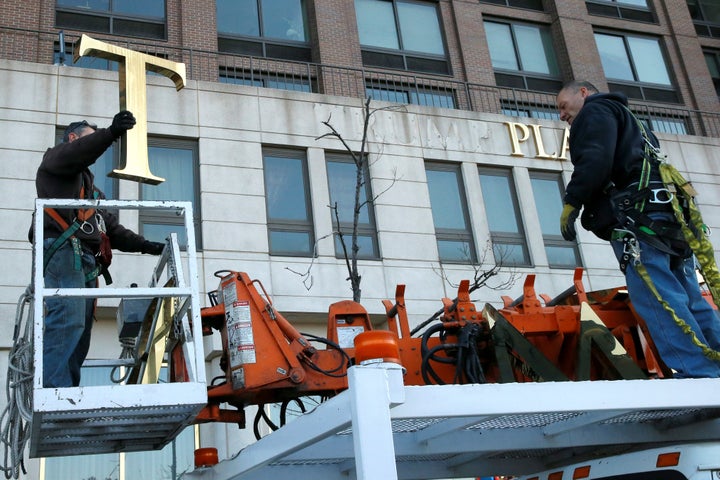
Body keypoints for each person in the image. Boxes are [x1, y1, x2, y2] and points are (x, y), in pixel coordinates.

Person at [556, 80, 720, 378]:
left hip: (639, 225)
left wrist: (573, 201)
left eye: (562, 107)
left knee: (657, 299)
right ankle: (714, 364)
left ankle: (698, 374)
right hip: (667, 221)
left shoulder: (595, 111)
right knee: (690, 298)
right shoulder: (632, 122)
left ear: (583, 93)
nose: (561, 115)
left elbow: (595, 159)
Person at [32, 110, 165, 388]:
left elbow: (112, 230)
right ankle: (54, 391)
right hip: (64, 252)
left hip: (85, 262)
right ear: (72, 139)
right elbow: (82, 151)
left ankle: (67, 389)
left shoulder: (92, 193)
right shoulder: (55, 161)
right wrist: (111, 133)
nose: (95, 147)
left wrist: (147, 246)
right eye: (89, 140)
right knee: (68, 320)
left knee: (81, 332)